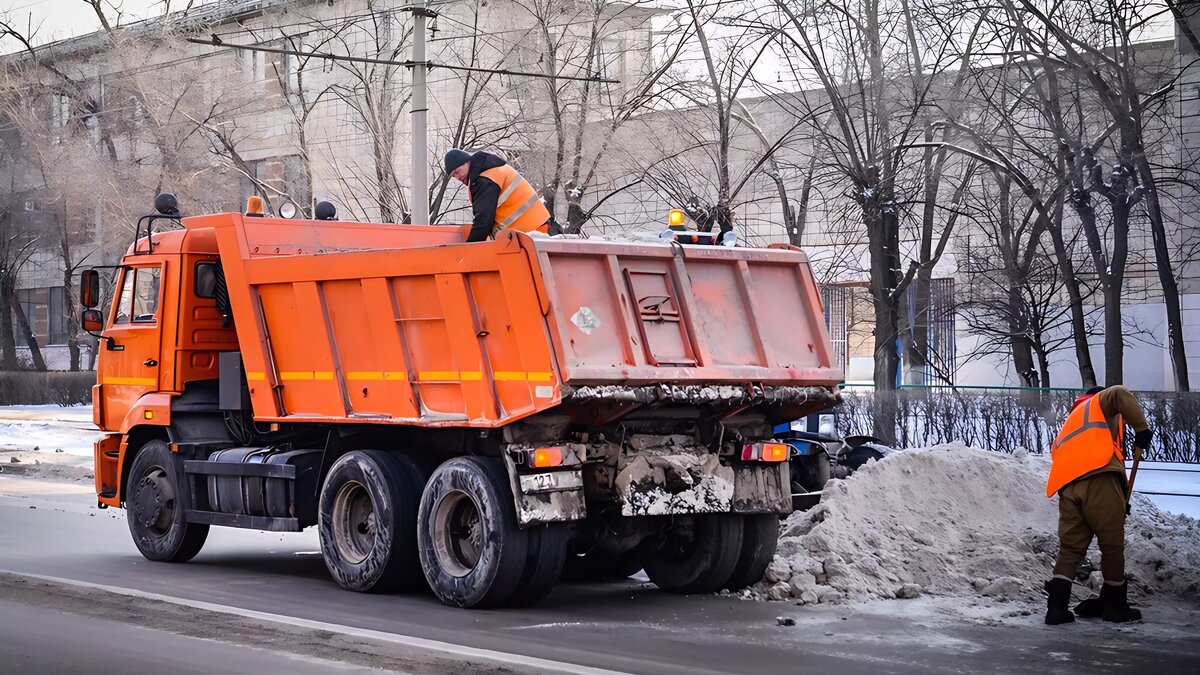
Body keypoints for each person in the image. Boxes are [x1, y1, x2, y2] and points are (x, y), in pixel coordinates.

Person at [1044, 385, 1152, 625]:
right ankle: (1116, 605)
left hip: (1069, 486)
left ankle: (1057, 608)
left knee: (1070, 549)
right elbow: (1119, 393)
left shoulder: (1072, 422)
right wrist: (1142, 429)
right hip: (1099, 476)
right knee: (1111, 544)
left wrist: (1119, 501)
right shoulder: (1098, 403)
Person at [444, 149, 552, 242]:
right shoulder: (491, 169)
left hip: (529, 232)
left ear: (467, 162)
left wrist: (468, 251)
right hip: (535, 227)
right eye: (453, 176)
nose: (457, 177)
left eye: (457, 172)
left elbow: (483, 221)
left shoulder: (484, 180)